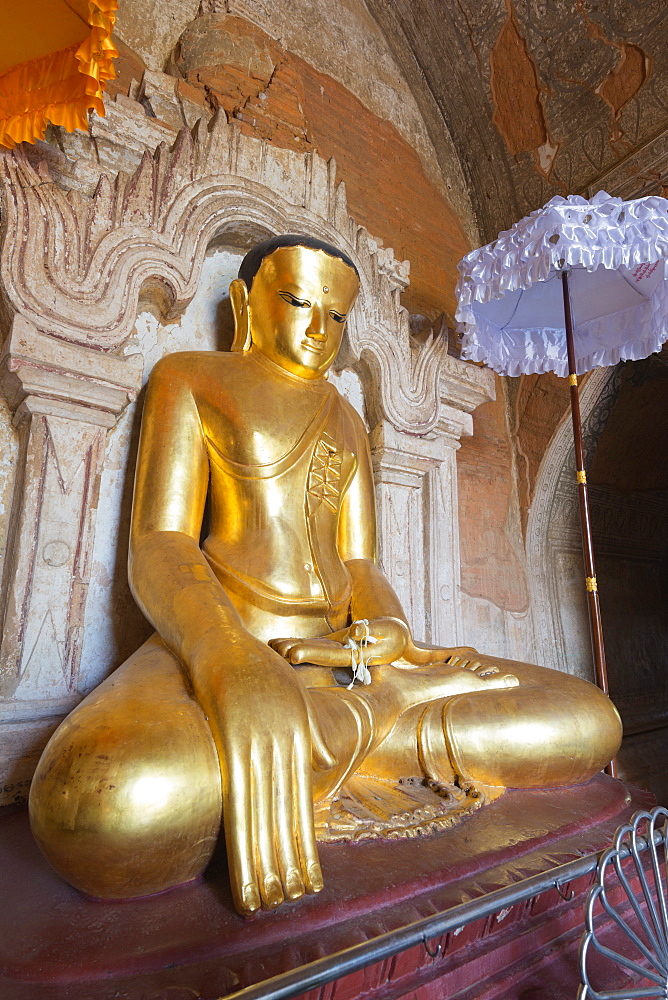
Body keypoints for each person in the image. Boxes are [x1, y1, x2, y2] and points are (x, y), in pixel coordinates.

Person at [29, 235, 622, 916]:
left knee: (585, 718)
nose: (319, 329)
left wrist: (393, 634)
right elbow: (160, 543)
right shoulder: (190, 379)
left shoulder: (343, 414)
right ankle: (366, 735)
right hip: (223, 639)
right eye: (298, 302)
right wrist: (223, 657)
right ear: (245, 302)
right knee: (107, 802)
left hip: (347, 662)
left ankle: (348, 733)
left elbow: (359, 562)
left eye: (336, 316)